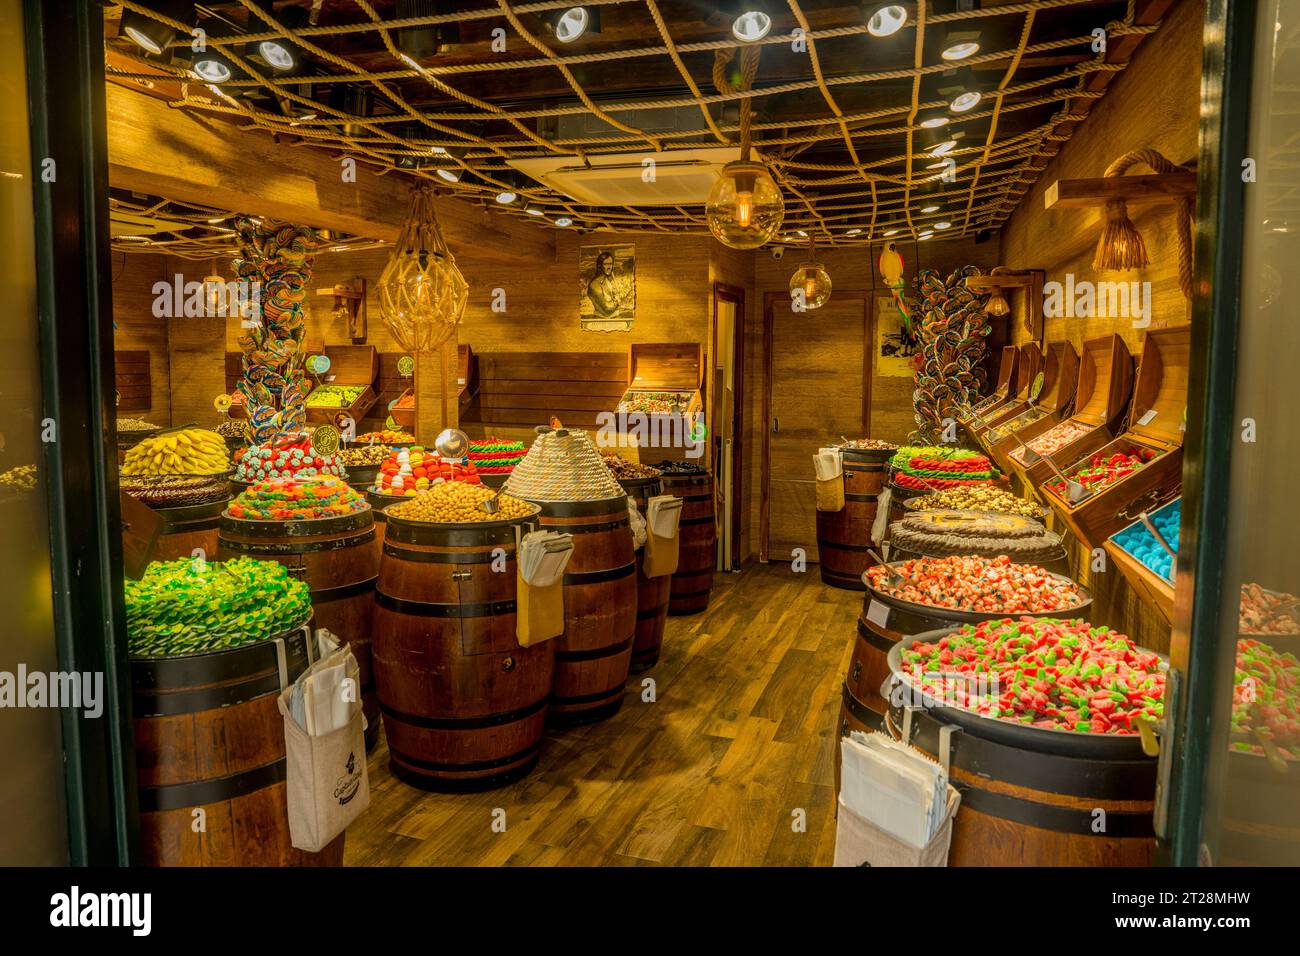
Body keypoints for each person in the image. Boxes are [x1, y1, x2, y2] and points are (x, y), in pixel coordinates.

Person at [586, 251, 628, 318]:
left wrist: (619, 295)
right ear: (600, 266)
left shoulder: (607, 280)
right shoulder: (594, 285)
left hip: (615, 318)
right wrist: (617, 301)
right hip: (601, 320)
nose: (609, 267)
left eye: (610, 264)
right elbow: (607, 309)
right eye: (606, 264)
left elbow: (613, 297)